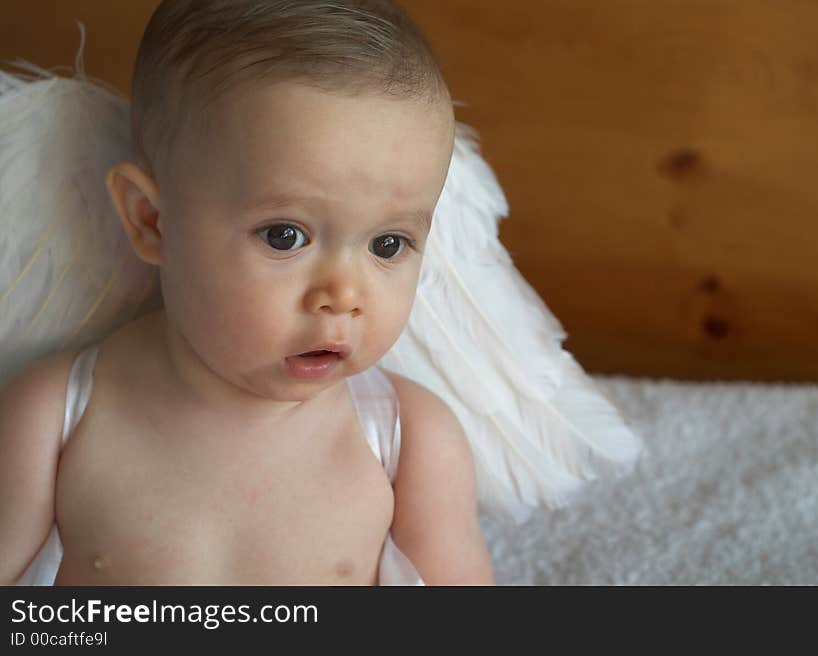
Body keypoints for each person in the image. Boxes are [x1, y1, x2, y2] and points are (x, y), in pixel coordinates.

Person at [1, 0, 494, 585]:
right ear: (152, 221)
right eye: (285, 236)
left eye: (388, 245)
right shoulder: (56, 416)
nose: (343, 294)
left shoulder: (408, 440)